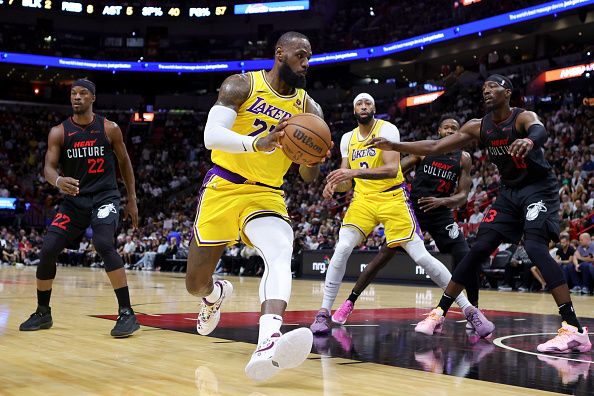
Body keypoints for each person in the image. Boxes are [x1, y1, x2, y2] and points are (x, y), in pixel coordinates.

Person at [369, 74, 592, 353]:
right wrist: (396, 146)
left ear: (507, 92)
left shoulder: (522, 117)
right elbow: (436, 147)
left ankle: (573, 329)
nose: (486, 91)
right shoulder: (477, 126)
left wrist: (531, 142)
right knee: (478, 248)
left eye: (493, 87)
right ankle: (439, 313)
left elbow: (539, 130)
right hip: (509, 193)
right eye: (484, 88)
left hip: (538, 190)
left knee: (535, 248)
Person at [186, 31, 326, 381]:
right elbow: (211, 136)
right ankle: (215, 294)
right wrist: (257, 143)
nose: (306, 63)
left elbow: (309, 176)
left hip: (266, 193)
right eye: (300, 55)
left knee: (280, 250)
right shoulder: (241, 85)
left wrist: (316, 154)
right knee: (195, 283)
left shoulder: (310, 108)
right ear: (280, 52)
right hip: (223, 186)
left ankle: (268, 340)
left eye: (309, 58)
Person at [309, 96, 490, 336]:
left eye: (368, 103)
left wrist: (352, 172)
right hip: (365, 200)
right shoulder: (347, 139)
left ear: (374, 108)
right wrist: (334, 184)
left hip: (397, 200)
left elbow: (393, 169)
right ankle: (324, 311)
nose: (363, 106)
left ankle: (470, 310)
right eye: (359, 104)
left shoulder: (388, 130)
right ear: (354, 109)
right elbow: (346, 180)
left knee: (425, 257)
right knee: (343, 248)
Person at [19, 79, 140, 338]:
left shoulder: (110, 128)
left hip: (105, 197)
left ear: (93, 98)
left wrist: (132, 198)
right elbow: (48, 168)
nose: (77, 97)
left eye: (83, 93)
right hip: (74, 201)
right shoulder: (59, 132)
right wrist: (58, 180)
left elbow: (125, 163)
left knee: (104, 243)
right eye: (73, 93)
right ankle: (43, 312)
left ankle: (127, 313)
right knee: (48, 248)